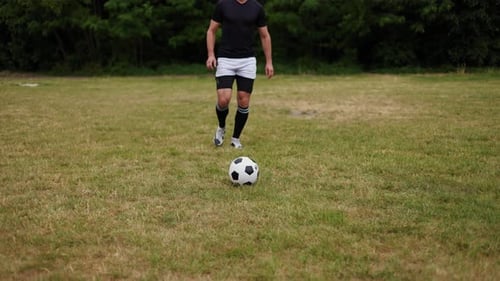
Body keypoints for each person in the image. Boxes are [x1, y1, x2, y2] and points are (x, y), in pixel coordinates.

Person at [206, 0, 274, 149]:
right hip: (225, 59)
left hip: (247, 61)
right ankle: (221, 127)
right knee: (224, 100)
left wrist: (269, 62)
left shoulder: (257, 8)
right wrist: (211, 54)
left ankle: (235, 139)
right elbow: (211, 30)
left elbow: (265, 36)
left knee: (243, 101)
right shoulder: (223, 5)